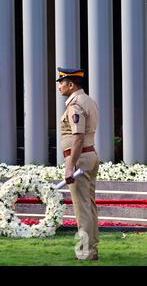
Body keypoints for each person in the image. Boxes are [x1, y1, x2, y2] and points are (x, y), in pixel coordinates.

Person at [57, 67, 100, 261]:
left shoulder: (75, 104)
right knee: (89, 205)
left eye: (61, 82)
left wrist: (69, 165)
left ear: (71, 84)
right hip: (89, 156)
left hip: (79, 158)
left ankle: (85, 251)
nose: (59, 86)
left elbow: (78, 137)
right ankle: (92, 248)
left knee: (81, 208)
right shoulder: (89, 100)